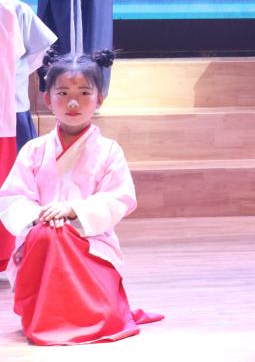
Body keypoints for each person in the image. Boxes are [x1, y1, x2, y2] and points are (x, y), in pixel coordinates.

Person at [0, 51, 162, 345]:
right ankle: (46, 316)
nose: (73, 103)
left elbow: (119, 198)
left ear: (99, 99)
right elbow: (13, 197)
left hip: (92, 244)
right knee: (50, 235)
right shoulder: (34, 150)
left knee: (59, 236)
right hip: (41, 244)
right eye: (62, 93)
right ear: (48, 99)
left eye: (84, 93)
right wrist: (40, 216)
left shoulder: (109, 150)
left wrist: (73, 210)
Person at [0, 0, 57, 154]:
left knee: (19, 164)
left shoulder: (20, 11)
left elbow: (40, 50)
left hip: (14, 104)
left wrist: (15, 70)